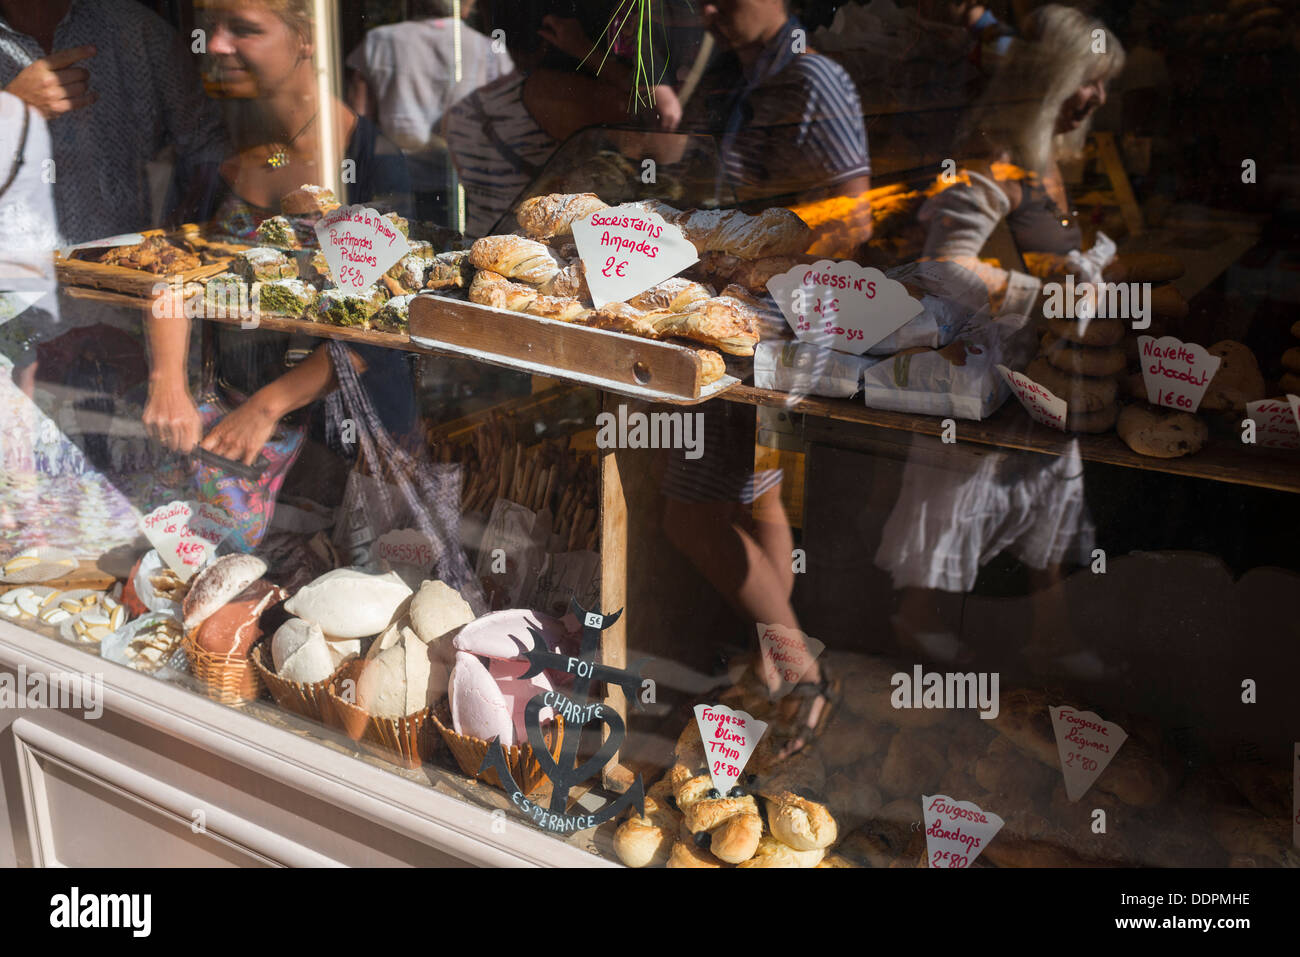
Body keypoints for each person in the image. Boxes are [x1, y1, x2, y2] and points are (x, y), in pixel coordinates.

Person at [875, 5, 1127, 675]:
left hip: (1028, 366)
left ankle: (1050, 629)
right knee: (955, 491)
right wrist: (1041, 296)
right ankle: (916, 624)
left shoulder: (1044, 155)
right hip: (978, 367)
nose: (1099, 97)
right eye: (1090, 80)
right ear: (1053, 78)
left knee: (1051, 479)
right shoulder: (997, 156)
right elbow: (945, 263)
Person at [657, 0, 874, 755]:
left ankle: (800, 665)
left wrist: (765, 277)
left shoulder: (815, 81)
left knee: (691, 516)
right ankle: (772, 665)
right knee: (759, 498)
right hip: (741, 321)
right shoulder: (739, 78)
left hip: (769, 331)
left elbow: (854, 217)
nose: (709, 8)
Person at [144, 0, 414, 488]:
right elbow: (173, 269)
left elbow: (381, 325)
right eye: (212, 28)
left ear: (307, 37)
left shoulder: (368, 161)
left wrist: (265, 408)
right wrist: (167, 381)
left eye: (244, 30)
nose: (218, 45)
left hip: (339, 449)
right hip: (226, 439)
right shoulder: (218, 154)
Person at [444, 0, 681, 237]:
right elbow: (660, 122)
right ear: (548, 28)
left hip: (482, 238)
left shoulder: (464, 92)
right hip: (533, 247)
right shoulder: (546, 91)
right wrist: (586, 50)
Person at [345, 0, 510, 222]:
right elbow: (506, 127)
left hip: (394, 181)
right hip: (464, 184)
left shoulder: (379, 40)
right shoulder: (490, 51)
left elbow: (359, 119)